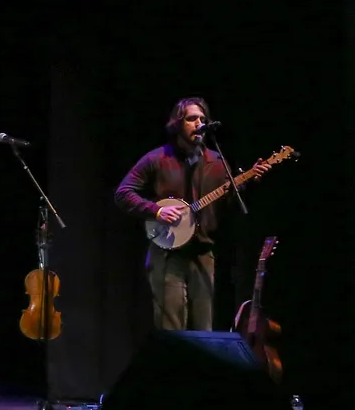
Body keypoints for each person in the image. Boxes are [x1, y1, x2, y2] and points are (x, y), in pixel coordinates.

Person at [114, 96, 270, 331]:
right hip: (167, 253)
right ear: (178, 124)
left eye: (202, 119)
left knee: (204, 329)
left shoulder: (217, 162)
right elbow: (123, 193)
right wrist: (156, 210)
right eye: (191, 119)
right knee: (172, 328)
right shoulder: (158, 158)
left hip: (203, 254)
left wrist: (250, 181)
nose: (198, 124)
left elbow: (230, 203)